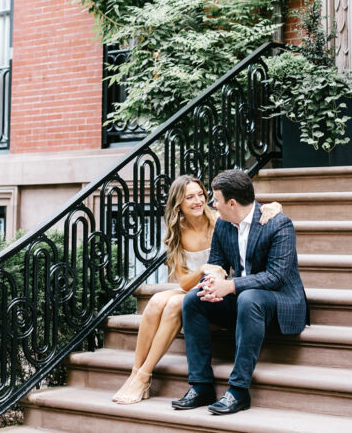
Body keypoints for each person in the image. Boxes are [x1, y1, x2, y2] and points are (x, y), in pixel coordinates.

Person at [111, 175, 282, 404]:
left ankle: (144, 375)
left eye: (201, 194)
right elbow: (184, 282)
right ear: (178, 203)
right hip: (197, 284)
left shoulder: (219, 218)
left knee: (173, 304)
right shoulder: (177, 230)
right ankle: (135, 373)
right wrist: (203, 268)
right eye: (190, 197)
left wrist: (275, 205)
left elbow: (244, 207)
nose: (199, 201)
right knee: (154, 303)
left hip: (225, 288)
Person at [172, 168, 309, 415]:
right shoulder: (224, 225)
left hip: (280, 302)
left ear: (232, 203)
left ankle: (238, 390)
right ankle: (201, 385)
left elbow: (276, 277)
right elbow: (216, 264)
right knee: (194, 299)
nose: (212, 205)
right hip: (245, 301)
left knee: (249, 297)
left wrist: (231, 286)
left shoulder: (279, 224)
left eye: (216, 199)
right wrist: (213, 285)